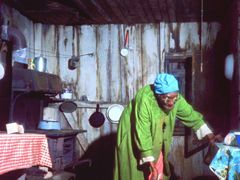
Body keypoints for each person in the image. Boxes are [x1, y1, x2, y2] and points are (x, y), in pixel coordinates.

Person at [113, 73, 222, 180]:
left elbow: (190, 115)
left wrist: (209, 134)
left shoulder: (175, 98)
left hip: (151, 135)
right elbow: (142, 131)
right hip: (133, 133)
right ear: (158, 94)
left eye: (174, 98)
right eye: (167, 99)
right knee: (134, 170)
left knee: (158, 162)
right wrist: (149, 161)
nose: (171, 103)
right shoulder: (145, 100)